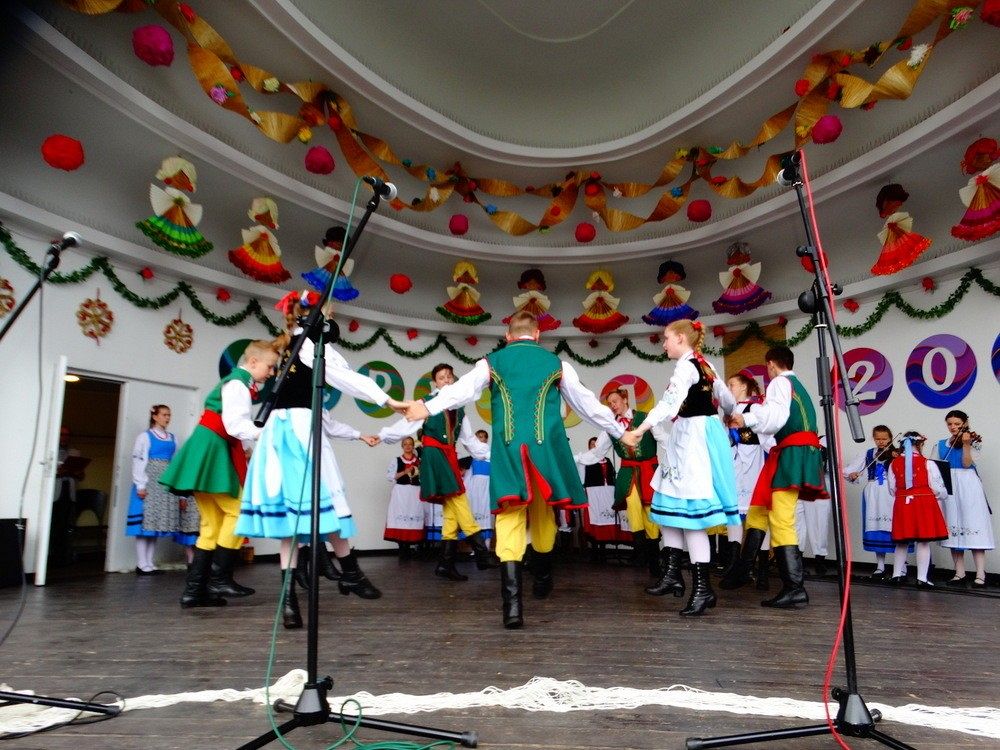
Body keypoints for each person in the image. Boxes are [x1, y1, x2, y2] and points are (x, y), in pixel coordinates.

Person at [402, 311, 622, 629]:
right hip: (545, 452)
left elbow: (461, 390)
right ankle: (542, 575)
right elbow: (587, 404)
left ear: (507, 336)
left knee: (509, 517)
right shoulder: (558, 365)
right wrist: (619, 430)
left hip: (507, 451)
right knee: (544, 516)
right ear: (538, 335)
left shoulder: (491, 363)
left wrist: (426, 406)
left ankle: (513, 608)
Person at [236, 291, 393, 628]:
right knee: (327, 503)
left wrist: (357, 432)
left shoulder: (284, 347)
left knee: (293, 524)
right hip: (299, 433)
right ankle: (349, 572)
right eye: (330, 317)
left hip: (278, 432)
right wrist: (388, 401)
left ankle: (291, 603)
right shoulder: (309, 346)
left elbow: (323, 412)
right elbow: (346, 377)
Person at [622, 320, 739, 617]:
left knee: (691, 517)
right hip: (690, 438)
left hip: (692, 442)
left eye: (666, 338)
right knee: (669, 510)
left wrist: (641, 429)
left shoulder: (686, 367)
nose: (663, 344)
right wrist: (730, 415)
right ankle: (673, 573)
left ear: (681, 338)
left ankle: (703, 589)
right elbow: (727, 399)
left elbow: (669, 404)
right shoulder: (705, 364)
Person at [160, 340, 280, 608]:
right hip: (213, 448)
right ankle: (219, 578)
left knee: (211, 524)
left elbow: (234, 425)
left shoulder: (236, 382)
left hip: (208, 448)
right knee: (239, 511)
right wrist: (269, 433)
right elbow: (236, 425)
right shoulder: (238, 383)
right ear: (253, 362)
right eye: (270, 366)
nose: (272, 372)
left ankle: (194, 591)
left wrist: (247, 446)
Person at [720, 345, 825, 608]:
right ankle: (743, 570)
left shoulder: (780, 382)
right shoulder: (796, 385)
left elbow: (775, 418)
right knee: (758, 509)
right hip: (792, 451)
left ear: (770, 364)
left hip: (792, 452)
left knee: (781, 517)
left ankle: (794, 587)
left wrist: (746, 419)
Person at [379, 363, 493, 581]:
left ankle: (445, 564)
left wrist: (491, 454)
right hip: (434, 455)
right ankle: (481, 551)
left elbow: (470, 441)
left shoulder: (460, 408)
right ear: (435, 383)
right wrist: (383, 435)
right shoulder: (427, 403)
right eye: (441, 377)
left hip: (448, 455)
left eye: (449, 376)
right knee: (459, 499)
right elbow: (406, 424)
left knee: (451, 508)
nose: (446, 380)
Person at [574, 389, 663, 578]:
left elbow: (664, 439)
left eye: (615, 401)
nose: (612, 405)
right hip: (628, 473)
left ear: (625, 399)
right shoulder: (610, 427)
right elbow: (597, 453)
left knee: (650, 516)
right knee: (633, 512)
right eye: (609, 403)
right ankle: (643, 557)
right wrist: (574, 459)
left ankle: (655, 563)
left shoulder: (645, 418)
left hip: (648, 472)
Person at [126, 404, 199, 574]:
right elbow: (138, 460)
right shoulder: (145, 437)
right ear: (155, 416)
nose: (167, 418)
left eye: (169, 415)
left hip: (164, 484)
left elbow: (177, 463)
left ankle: (149, 563)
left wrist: (180, 493)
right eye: (164, 415)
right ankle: (141, 563)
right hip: (149, 482)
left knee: (154, 525)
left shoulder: (172, 438)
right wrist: (140, 484)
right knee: (144, 524)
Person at [935, 410, 993, 588]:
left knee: (973, 524)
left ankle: (980, 574)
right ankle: (959, 573)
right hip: (950, 484)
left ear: (965, 424)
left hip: (968, 484)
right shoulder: (941, 444)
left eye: (957, 424)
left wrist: (967, 444)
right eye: (950, 424)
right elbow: (936, 466)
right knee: (953, 526)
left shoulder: (974, 441)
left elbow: (967, 463)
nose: (953, 427)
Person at [725, 373, 773, 588]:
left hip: (754, 464)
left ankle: (762, 570)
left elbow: (767, 439)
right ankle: (734, 566)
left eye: (732, 385)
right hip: (735, 465)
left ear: (744, 387)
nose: (729, 389)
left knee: (758, 516)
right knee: (734, 516)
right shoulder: (728, 412)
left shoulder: (756, 409)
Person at [887, 432, 949, 587]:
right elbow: (937, 487)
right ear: (920, 444)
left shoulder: (893, 463)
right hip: (923, 503)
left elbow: (891, 488)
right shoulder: (928, 463)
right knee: (923, 541)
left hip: (902, 503)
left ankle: (897, 575)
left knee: (901, 541)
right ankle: (922, 578)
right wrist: (940, 495)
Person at [844, 425, 899, 580]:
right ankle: (880, 566)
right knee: (876, 528)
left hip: (891, 493)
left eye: (884, 439)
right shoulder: (868, 453)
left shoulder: (896, 453)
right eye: (877, 439)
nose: (881, 442)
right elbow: (849, 470)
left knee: (895, 528)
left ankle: (901, 566)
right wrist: (852, 474)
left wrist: (898, 457)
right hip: (873, 493)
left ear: (890, 438)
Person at [574, 436, 630, 557]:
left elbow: (612, 476)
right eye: (592, 444)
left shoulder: (607, 460)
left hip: (608, 493)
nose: (594, 446)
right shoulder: (585, 460)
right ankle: (595, 549)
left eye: (596, 444)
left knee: (608, 517)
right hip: (593, 493)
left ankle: (604, 547)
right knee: (595, 518)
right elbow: (582, 477)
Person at [383, 436, 424, 560]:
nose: (407, 446)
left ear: (413, 446)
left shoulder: (419, 461)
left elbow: (425, 477)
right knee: (401, 517)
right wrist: (404, 472)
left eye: (410, 444)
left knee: (413, 516)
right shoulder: (396, 460)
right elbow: (390, 476)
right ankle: (402, 548)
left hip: (415, 492)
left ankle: (414, 547)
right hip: (401, 492)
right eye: (405, 444)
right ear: (402, 446)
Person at [466, 430, 495, 548]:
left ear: (486, 439)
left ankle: (486, 547)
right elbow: (468, 478)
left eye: (482, 437)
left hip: (487, 489)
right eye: (478, 437)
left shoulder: (491, 455)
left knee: (487, 516)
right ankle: (477, 548)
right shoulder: (472, 457)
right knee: (475, 515)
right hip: (475, 490)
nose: (480, 439)